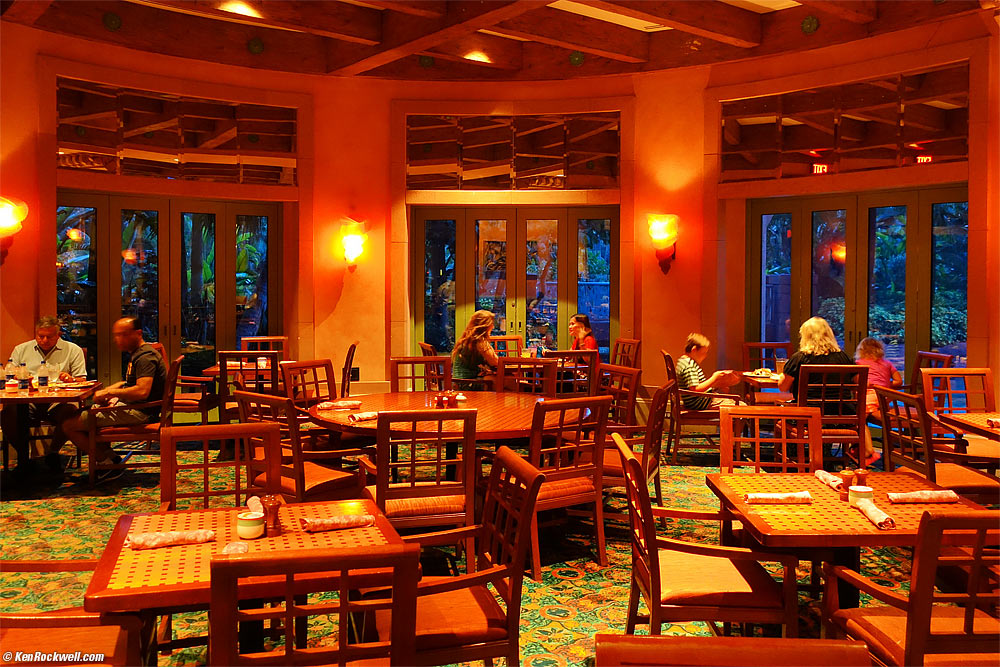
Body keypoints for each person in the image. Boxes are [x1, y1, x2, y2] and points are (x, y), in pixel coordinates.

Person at [53, 317, 167, 483]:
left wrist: (108, 393)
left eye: (124, 335)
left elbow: (142, 391)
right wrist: (113, 393)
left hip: (142, 412)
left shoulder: (144, 357)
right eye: (117, 335)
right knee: (77, 415)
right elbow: (128, 384)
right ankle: (111, 459)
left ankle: (106, 463)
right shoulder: (138, 353)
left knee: (68, 425)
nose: (118, 339)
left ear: (138, 333)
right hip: (136, 408)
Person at [778, 316, 876, 465]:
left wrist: (780, 376)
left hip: (808, 417)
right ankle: (827, 457)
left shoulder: (799, 358)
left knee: (784, 411)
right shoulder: (844, 358)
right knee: (826, 411)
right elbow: (861, 382)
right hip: (842, 416)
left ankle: (795, 458)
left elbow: (783, 387)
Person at [1, 316, 86, 476]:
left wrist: (70, 378)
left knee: (71, 413)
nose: (45, 340)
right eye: (41, 336)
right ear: (36, 334)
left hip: (58, 401)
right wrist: (18, 376)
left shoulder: (73, 350)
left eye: (50, 336)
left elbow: (81, 379)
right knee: (8, 414)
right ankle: (24, 456)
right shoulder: (22, 349)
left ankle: (52, 453)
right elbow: (10, 375)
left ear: (58, 334)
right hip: (27, 401)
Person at [675, 333, 741, 410]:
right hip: (699, 403)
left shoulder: (683, 361)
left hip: (700, 401)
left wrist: (717, 385)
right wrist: (714, 377)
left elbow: (696, 386)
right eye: (703, 353)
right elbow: (695, 389)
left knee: (733, 402)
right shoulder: (689, 365)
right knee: (741, 407)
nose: (705, 356)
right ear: (694, 350)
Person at [855, 336, 903, 417]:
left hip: (868, 396)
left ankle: (861, 428)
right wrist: (884, 384)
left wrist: (873, 385)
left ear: (860, 350)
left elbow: (857, 380)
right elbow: (899, 381)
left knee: (860, 419)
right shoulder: (887, 363)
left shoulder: (858, 363)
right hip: (885, 397)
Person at [452, 310, 500, 385]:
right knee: (506, 381)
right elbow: (496, 362)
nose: (493, 327)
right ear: (485, 326)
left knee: (503, 380)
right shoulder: (480, 342)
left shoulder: (467, 339)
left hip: (458, 382)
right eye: (492, 324)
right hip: (467, 383)